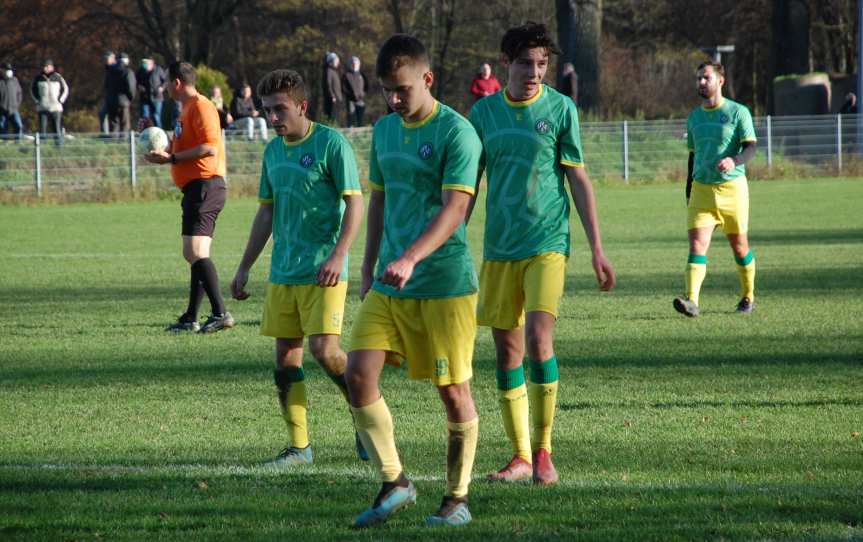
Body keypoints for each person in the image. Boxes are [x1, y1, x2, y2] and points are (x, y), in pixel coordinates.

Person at [467, 22, 616, 486]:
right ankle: (519, 457)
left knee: (537, 339)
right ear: (507, 63)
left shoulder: (561, 108)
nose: (534, 72)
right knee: (506, 351)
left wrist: (596, 248)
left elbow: (578, 179)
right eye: (526, 63)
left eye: (542, 64)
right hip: (500, 248)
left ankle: (543, 450)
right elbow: (466, 186)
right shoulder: (483, 114)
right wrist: (447, 237)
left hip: (549, 242)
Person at [345, 34, 482, 528]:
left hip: (443, 284)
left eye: (402, 89)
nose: (394, 99)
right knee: (358, 374)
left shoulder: (457, 133)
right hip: (389, 282)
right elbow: (377, 201)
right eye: (387, 90)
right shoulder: (383, 131)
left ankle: (457, 498)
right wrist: (368, 267)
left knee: (453, 392)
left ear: (428, 79)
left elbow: (456, 209)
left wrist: (411, 257)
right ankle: (395, 481)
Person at [230, 68, 366, 468]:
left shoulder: (331, 145)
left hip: (323, 269)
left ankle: (364, 417)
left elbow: (356, 203)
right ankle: (299, 447)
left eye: (280, 110)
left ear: (302, 106)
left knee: (326, 352)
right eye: (267, 111)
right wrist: (244, 267)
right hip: (283, 273)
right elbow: (266, 213)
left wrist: (339, 254)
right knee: (286, 361)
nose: (272, 118)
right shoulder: (273, 152)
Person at [144, 61, 233, 334]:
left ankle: (220, 312)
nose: (165, 88)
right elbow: (182, 146)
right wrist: (158, 140)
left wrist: (171, 158)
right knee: (196, 253)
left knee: (193, 252)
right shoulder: (185, 111)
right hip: (196, 188)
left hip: (206, 185)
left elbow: (208, 148)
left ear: (177, 83)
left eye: (167, 82)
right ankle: (191, 317)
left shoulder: (202, 106)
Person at [674, 61, 758, 317]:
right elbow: (692, 157)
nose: (701, 82)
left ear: (720, 81)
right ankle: (692, 301)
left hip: (733, 190)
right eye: (698, 78)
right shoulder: (694, 117)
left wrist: (735, 160)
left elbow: (751, 147)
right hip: (701, 190)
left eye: (706, 78)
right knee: (697, 246)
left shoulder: (738, 112)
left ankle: (748, 296)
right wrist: (689, 190)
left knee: (740, 247)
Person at [31, 59, 68, 145]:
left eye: (47, 66)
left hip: (56, 107)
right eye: (44, 66)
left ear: (52, 67)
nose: (45, 68)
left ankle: (59, 145)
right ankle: (41, 147)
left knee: (56, 127)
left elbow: (65, 89)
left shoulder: (58, 77)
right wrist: (37, 100)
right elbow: (32, 90)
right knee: (42, 128)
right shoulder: (38, 78)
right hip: (42, 107)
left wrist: (60, 100)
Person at [108, 52, 137, 135]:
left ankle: (113, 142)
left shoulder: (110, 71)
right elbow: (131, 87)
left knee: (113, 123)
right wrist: (130, 98)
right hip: (123, 101)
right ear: (126, 61)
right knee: (124, 124)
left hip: (111, 100)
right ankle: (123, 143)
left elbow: (106, 86)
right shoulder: (128, 72)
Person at [137, 56, 167, 128]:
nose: (144, 64)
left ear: (152, 63)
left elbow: (165, 81)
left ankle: (159, 132)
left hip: (157, 97)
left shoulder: (158, 70)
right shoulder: (141, 71)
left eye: (146, 63)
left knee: (156, 116)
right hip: (145, 97)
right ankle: (145, 132)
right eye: (143, 63)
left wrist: (162, 88)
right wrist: (139, 86)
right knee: (145, 116)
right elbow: (136, 81)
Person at [342, 56, 368, 127]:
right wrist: (350, 95)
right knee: (351, 114)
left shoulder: (362, 74)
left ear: (359, 65)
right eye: (352, 63)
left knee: (360, 115)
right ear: (350, 64)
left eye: (356, 63)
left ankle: (360, 127)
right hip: (350, 99)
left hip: (360, 99)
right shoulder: (346, 75)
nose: (354, 65)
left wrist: (363, 94)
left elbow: (366, 86)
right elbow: (344, 88)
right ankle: (350, 128)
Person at [0, 63, 24, 139]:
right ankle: (4, 142)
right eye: (7, 70)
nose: (8, 71)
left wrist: (17, 104)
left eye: (9, 70)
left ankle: (18, 141)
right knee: (3, 127)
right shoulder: (0, 81)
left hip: (14, 108)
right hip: (2, 109)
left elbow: (19, 93)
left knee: (18, 125)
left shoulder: (14, 80)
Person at [322, 52, 343, 125]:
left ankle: (334, 126)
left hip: (337, 97)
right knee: (331, 115)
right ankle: (331, 127)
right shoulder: (328, 71)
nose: (337, 62)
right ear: (330, 61)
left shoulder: (334, 71)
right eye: (336, 60)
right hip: (332, 98)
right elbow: (328, 84)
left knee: (336, 115)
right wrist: (332, 95)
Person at [99, 52, 116, 134]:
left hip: (115, 97)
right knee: (102, 114)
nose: (105, 60)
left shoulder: (115, 69)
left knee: (112, 117)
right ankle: (105, 134)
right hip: (109, 97)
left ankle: (111, 135)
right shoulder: (108, 69)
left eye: (107, 59)